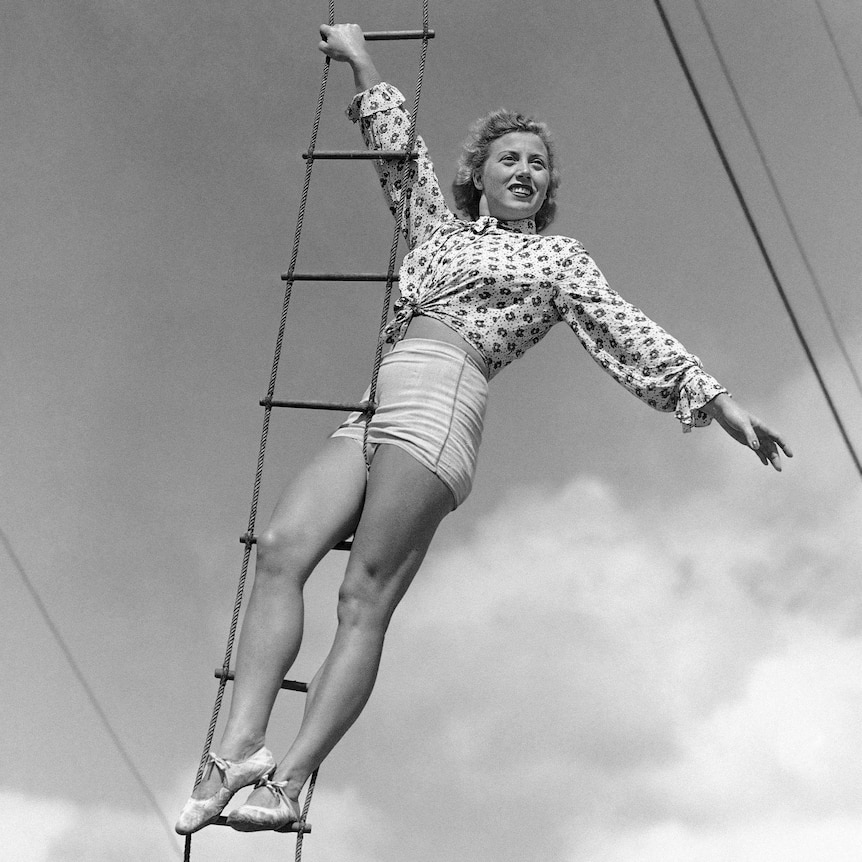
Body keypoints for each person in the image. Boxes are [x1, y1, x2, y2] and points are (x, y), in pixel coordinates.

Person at [176, 23, 792, 835]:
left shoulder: (560, 261)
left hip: (443, 400)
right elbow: (398, 152)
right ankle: (241, 747)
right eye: (511, 159)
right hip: (377, 397)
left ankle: (288, 783)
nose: (526, 172)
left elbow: (623, 328)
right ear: (480, 176)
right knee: (285, 549)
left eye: (538, 164)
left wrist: (715, 401)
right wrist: (361, 58)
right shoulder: (435, 226)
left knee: (362, 599)